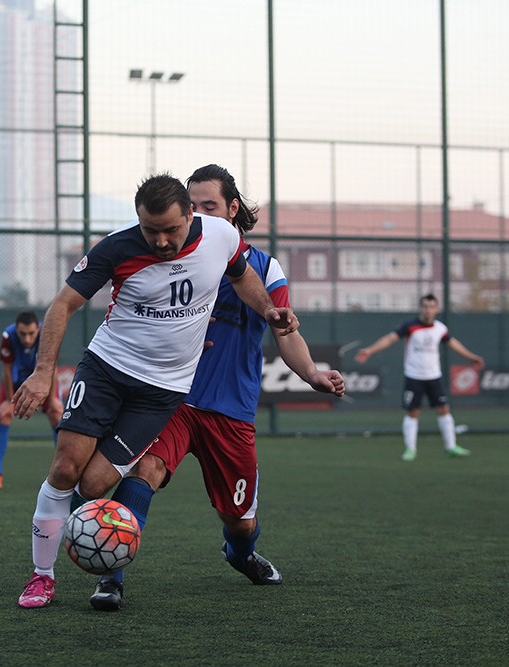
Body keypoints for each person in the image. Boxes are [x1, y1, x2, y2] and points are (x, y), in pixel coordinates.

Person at [13, 173, 298, 609]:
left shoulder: (220, 236)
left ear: (190, 215)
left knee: (94, 483)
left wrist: (268, 309)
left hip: (161, 392)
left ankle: (95, 541)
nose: (162, 241)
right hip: (107, 369)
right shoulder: (116, 248)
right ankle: (42, 576)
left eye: (171, 230)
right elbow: (63, 305)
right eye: (151, 231)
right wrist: (42, 372)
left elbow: (242, 277)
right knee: (67, 468)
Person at [87, 164, 346, 611]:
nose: (199, 213)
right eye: (193, 206)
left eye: (210, 205)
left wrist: (311, 374)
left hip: (231, 410)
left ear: (233, 208)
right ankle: (112, 575)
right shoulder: (170, 258)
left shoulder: (263, 268)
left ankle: (240, 554)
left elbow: (285, 330)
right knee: (144, 471)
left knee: (240, 521)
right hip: (171, 398)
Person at [354, 294, 485, 460]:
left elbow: (453, 343)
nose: (428, 310)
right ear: (420, 308)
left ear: (436, 309)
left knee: (444, 410)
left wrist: (471, 357)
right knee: (413, 412)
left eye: (431, 307)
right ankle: (410, 449)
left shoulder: (440, 328)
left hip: (434, 376)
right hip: (414, 376)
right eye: (425, 306)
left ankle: (451, 446)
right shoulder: (410, 326)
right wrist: (370, 351)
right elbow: (390, 339)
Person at [0, 310, 64, 491]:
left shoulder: (47, 334)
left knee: (57, 414)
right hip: (15, 382)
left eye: (31, 333)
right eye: (23, 334)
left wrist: (52, 399)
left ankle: (62, 473)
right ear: (17, 330)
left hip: (42, 380)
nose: (27, 339)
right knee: (4, 415)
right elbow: (6, 370)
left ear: (37, 329)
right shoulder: (8, 336)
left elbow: (52, 367)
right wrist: (9, 401)